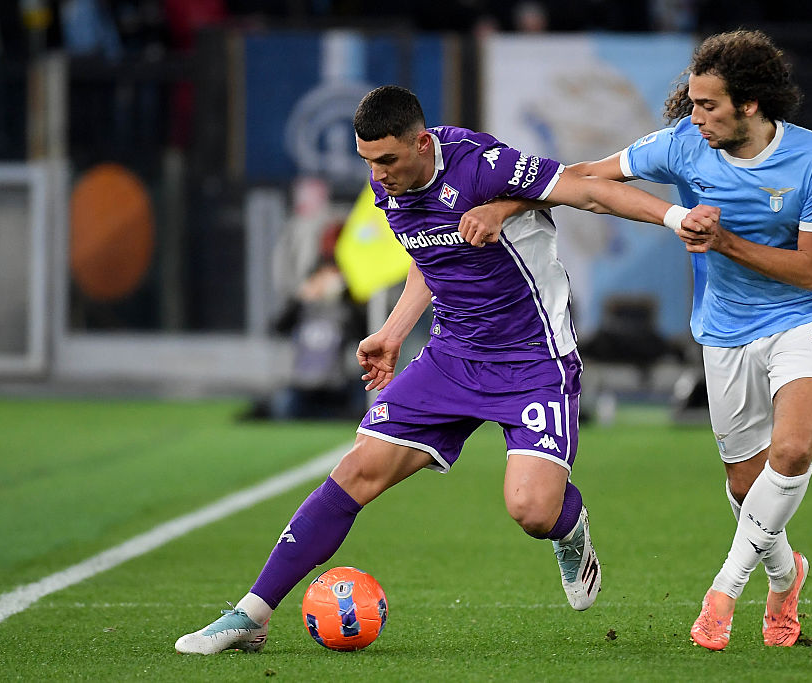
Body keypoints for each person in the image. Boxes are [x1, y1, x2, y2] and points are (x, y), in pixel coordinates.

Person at [175, 84, 693, 654]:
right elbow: (432, 258)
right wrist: (393, 334)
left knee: (531, 510)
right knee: (357, 472)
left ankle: (569, 528)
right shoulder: (387, 187)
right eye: (367, 161)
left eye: (389, 160)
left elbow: (589, 193)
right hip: (451, 358)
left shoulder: (482, 165)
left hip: (533, 360)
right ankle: (252, 613)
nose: (378, 175)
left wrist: (676, 218)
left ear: (422, 143)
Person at [461, 29, 812, 651]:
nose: (693, 117)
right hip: (725, 332)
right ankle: (786, 577)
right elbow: (585, 175)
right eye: (692, 103)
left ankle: (724, 590)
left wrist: (724, 243)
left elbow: (809, 270)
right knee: (749, 490)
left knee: (793, 453)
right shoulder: (682, 145)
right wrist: (504, 208)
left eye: (707, 106)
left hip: (809, 318)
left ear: (750, 104)